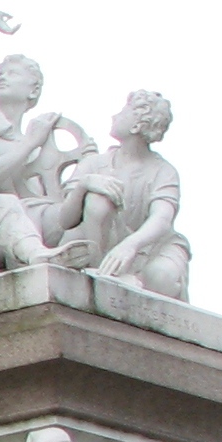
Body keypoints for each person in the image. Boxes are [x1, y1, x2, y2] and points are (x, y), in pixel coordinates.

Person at [0, 54, 94, 271]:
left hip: (42, 217)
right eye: (0, 73)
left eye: (12, 73)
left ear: (34, 90)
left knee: (91, 208)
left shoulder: (40, 143)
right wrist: (29, 144)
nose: (2, 78)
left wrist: (86, 165)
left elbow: (53, 196)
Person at [43, 90, 191, 300]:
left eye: (123, 112)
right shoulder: (94, 164)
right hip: (102, 247)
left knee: (160, 277)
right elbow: (65, 221)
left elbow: (162, 218)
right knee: (97, 198)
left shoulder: (163, 171)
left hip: (151, 248)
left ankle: (121, 277)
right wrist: (84, 185)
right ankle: (102, 273)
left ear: (137, 125)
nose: (115, 116)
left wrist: (130, 246)